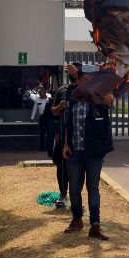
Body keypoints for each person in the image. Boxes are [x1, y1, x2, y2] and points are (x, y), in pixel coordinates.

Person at [62, 68, 115, 240]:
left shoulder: (99, 99)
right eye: (83, 79)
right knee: (74, 189)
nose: (86, 82)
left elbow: (111, 100)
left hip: (93, 154)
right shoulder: (73, 100)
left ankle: (95, 226)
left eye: (89, 79)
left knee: (93, 188)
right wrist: (65, 145)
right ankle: (77, 220)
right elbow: (67, 123)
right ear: (78, 81)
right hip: (75, 151)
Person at [51, 62, 80, 208]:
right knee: (61, 165)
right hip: (62, 133)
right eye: (69, 70)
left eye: (74, 70)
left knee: (78, 166)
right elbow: (53, 111)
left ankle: (77, 199)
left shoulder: (84, 89)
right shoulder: (62, 89)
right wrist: (59, 107)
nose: (71, 72)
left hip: (79, 134)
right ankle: (63, 194)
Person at [31, 85, 54, 155]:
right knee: (42, 133)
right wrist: (32, 118)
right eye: (39, 93)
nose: (40, 94)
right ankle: (42, 147)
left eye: (41, 92)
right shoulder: (37, 100)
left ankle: (48, 147)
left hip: (50, 117)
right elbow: (34, 109)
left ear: (45, 92)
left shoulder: (50, 99)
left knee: (50, 133)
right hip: (42, 117)